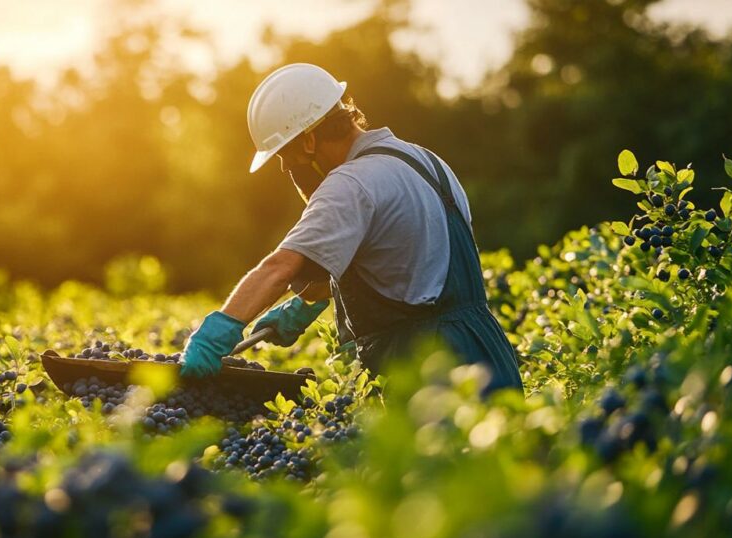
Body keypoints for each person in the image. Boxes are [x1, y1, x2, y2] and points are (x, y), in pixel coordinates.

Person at [179, 63, 522, 394]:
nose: (285, 168)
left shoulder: (350, 183)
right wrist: (306, 303)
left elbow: (280, 268)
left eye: (285, 153)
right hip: (486, 353)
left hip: (429, 369)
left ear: (309, 140)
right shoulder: (426, 161)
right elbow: (409, 267)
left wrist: (220, 329)